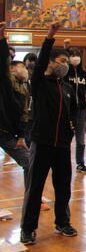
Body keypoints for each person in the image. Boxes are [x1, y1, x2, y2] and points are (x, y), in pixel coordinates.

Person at [20, 21, 77, 246]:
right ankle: (28, 229)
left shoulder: (67, 88)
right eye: (61, 61)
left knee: (63, 187)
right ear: (51, 63)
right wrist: (50, 36)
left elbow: (73, 114)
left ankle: (62, 222)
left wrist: (70, 132)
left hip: (62, 145)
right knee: (35, 188)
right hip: (41, 143)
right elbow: (41, 59)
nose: (64, 65)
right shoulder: (40, 83)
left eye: (67, 62)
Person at [1, 23, 28, 180]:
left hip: (8, 132)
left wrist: (21, 135)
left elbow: (21, 112)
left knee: (29, 162)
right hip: (5, 129)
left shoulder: (23, 87)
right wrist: (2, 41)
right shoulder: (6, 79)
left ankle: (32, 195)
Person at [65, 45, 86, 174]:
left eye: (77, 55)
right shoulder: (65, 74)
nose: (75, 58)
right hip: (67, 111)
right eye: (72, 55)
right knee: (66, 137)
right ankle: (62, 162)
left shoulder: (84, 74)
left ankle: (80, 163)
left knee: (81, 138)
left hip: (81, 111)